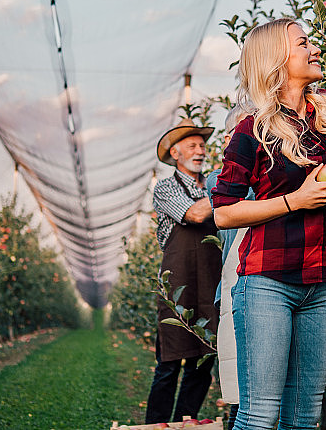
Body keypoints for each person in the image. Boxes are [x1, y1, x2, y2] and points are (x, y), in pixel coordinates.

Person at [211, 18, 326, 430]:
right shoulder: (253, 130)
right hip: (267, 284)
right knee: (260, 415)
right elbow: (224, 211)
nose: (315, 49)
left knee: (302, 417)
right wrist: (294, 200)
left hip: (317, 286)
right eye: (304, 44)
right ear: (278, 59)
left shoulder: (322, 116)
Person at [145, 118, 222, 424]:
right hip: (179, 285)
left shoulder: (214, 184)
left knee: (203, 358)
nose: (200, 151)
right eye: (192, 145)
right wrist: (229, 190)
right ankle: (157, 423)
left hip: (211, 280)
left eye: (203, 145)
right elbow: (194, 213)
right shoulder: (165, 188)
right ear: (175, 153)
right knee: (169, 362)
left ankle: (185, 421)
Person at [205, 106, 253, 430]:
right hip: (238, 284)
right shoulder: (218, 178)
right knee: (244, 389)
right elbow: (251, 201)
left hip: (276, 279)